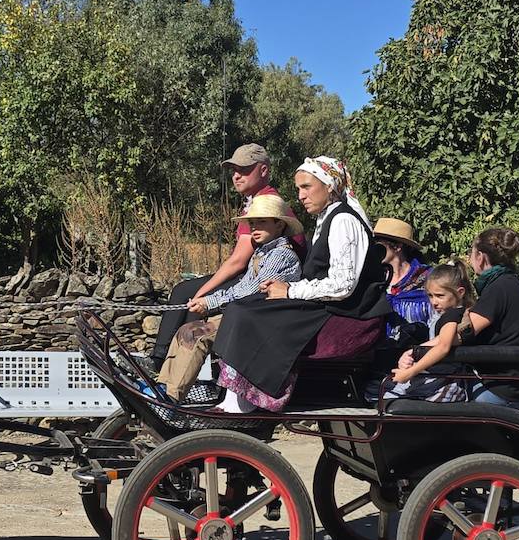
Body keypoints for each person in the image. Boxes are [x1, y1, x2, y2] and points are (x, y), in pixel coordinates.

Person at [210, 156, 389, 412]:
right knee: (243, 306)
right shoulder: (328, 218)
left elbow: (343, 285)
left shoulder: (343, 221)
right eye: (298, 189)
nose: (301, 195)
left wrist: (291, 290)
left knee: (251, 315)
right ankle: (234, 397)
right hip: (332, 305)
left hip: (351, 314)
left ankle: (250, 401)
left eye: (306, 187)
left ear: (329, 185)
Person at [147, 143, 301, 365]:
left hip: (260, 283)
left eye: (245, 169)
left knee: (189, 296)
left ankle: (164, 364)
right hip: (253, 276)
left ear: (264, 170)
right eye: (234, 171)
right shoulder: (255, 201)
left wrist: (203, 294)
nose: (237, 176)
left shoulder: (265, 205)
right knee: (187, 293)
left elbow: (238, 262)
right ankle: (164, 362)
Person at [153, 194, 303, 403]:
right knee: (185, 331)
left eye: (261, 222)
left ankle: (171, 396)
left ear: (279, 225)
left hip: (261, 321)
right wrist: (210, 300)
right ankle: (164, 386)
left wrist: (211, 302)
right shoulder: (263, 253)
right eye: (252, 223)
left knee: (196, 335)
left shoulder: (281, 256)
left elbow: (252, 290)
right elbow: (242, 286)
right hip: (247, 315)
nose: (254, 228)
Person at [464, 227, 519, 408]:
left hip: (501, 389)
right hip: (518, 386)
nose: (469, 258)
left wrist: (420, 351)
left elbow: (462, 333)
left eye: (471, 253)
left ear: (480, 257)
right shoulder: (510, 284)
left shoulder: (498, 289)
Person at [382, 260, 475, 403]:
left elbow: (443, 347)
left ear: (460, 292)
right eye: (430, 296)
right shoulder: (443, 315)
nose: (434, 302)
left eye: (440, 296)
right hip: (435, 375)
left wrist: (410, 372)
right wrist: (413, 353)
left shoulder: (453, 316)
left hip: (446, 381)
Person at [375, 218, 432, 345]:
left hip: (419, 354)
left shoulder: (427, 279)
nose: (374, 248)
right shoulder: (373, 280)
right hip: (381, 354)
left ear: (398, 246)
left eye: (379, 243)